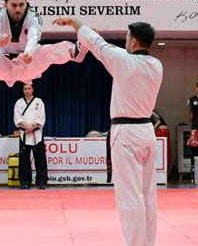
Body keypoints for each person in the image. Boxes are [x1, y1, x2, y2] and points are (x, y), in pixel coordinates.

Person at [54, 17, 163, 246]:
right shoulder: (157, 65)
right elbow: (105, 46)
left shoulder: (124, 61)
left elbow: (98, 44)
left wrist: (75, 23)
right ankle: (148, 242)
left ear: (133, 41)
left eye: (126, 38)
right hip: (146, 131)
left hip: (126, 133)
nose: (125, 42)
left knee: (130, 196)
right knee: (148, 195)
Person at [13, 83, 47, 189]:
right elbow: (17, 119)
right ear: (23, 90)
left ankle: (41, 182)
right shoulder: (19, 102)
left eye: (29, 88)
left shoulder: (39, 102)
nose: (27, 90)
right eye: (25, 88)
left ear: (32, 89)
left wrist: (31, 128)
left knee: (40, 159)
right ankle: (25, 182)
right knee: (24, 159)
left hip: (36, 134)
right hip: (24, 134)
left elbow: (41, 118)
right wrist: (27, 127)